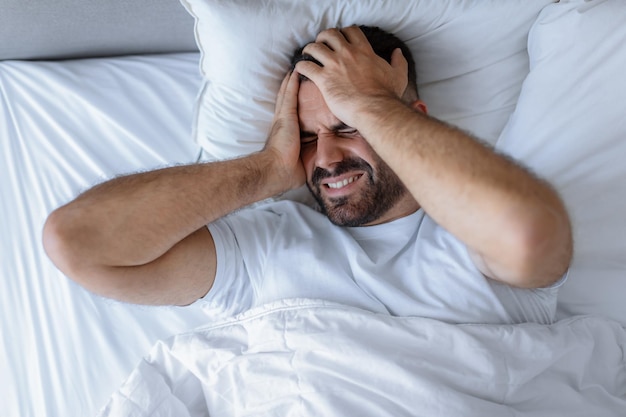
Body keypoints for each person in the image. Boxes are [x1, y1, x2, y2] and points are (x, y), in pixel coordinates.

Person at [42, 26, 572, 324]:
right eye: (309, 136)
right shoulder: (268, 246)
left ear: (414, 119)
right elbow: (79, 242)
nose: (327, 158)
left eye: (348, 125)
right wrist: (268, 168)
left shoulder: (473, 237)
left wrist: (372, 101)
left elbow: (531, 235)